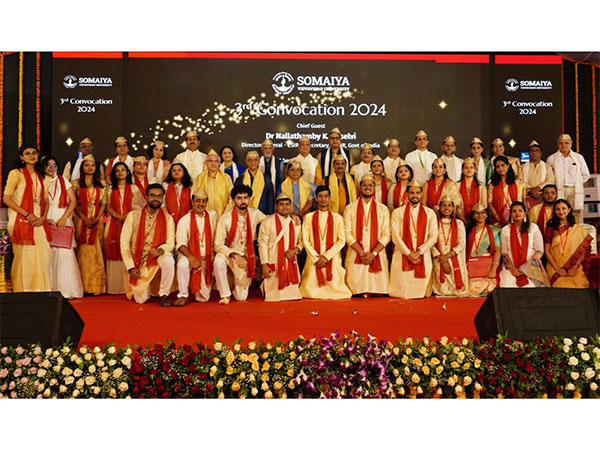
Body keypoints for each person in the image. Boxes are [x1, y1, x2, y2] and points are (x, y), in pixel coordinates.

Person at [3, 144, 51, 292]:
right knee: (25, 258)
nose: (32, 156)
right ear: (21, 157)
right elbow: (7, 199)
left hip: (38, 221)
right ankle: (24, 292)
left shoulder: (41, 176)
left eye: (34, 153)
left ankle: (40, 292)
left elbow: (45, 201)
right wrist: (27, 215)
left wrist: (43, 218)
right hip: (20, 219)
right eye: (27, 153)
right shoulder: (16, 174)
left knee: (43, 255)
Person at [120, 184, 175, 306]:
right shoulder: (133, 216)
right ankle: (147, 288)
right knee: (140, 300)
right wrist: (130, 267)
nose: (156, 199)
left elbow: (170, 242)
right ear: (146, 197)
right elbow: (124, 244)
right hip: (137, 262)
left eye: (159, 196)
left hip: (154, 259)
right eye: (152, 196)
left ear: (163, 198)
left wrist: (160, 250)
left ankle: (164, 294)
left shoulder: (167, 218)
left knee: (168, 259)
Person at [213, 185, 267, 304]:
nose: (243, 201)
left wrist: (291, 215)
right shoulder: (225, 218)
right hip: (230, 255)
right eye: (239, 198)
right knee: (218, 261)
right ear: (233, 200)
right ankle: (225, 294)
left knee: (241, 297)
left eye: (245, 198)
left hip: (247, 257)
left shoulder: (255, 213)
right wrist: (234, 255)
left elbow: (269, 221)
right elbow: (218, 245)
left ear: (249, 199)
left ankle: (233, 280)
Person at [42, 156, 83, 299]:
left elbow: (73, 201)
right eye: (48, 165)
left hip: (62, 219)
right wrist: (46, 219)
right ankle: (49, 289)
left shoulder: (63, 181)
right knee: (49, 253)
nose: (51, 168)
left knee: (65, 254)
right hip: (46, 219)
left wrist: (64, 217)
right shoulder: (40, 181)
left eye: (54, 165)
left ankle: (67, 290)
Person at [300, 185, 352, 299]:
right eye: (320, 196)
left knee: (339, 287)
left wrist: (326, 257)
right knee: (309, 288)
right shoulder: (308, 217)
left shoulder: (337, 218)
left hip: (332, 256)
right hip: (314, 256)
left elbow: (341, 240)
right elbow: (305, 240)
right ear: (316, 199)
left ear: (329, 198)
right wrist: (316, 258)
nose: (323, 199)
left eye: (326, 196)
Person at [388, 181, 438, 299]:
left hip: (422, 255)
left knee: (421, 291)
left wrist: (419, 252)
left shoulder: (429, 213)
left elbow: (433, 236)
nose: (414, 195)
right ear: (407, 194)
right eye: (411, 193)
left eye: (417, 193)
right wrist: (409, 253)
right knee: (402, 288)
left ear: (421, 194)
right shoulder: (397, 212)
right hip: (402, 254)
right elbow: (395, 236)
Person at [343, 174, 390, 296]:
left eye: (371, 185)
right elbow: (347, 233)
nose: (367, 187)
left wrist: (373, 254)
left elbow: (387, 234)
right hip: (356, 253)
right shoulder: (350, 208)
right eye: (364, 185)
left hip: (377, 253)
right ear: (360, 187)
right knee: (355, 291)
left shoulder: (383, 209)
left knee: (378, 292)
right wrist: (362, 253)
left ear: (374, 188)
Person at [104, 162, 144, 295]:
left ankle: (127, 286)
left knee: (128, 249)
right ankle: (114, 286)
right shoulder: (110, 189)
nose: (120, 172)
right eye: (117, 171)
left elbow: (138, 206)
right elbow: (107, 206)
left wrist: (126, 217)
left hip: (130, 222)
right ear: (114, 174)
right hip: (113, 223)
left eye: (123, 170)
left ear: (127, 173)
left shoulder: (134, 189)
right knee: (112, 249)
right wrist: (118, 216)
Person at [175, 187, 219, 305]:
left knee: (203, 298)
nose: (201, 204)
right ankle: (183, 295)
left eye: (204, 201)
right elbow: (181, 244)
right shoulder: (184, 220)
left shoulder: (213, 216)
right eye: (198, 201)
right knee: (182, 263)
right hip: (190, 256)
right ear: (192, 202)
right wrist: (191, 257)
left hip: (208, 258)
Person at [258, 193, 303, 302]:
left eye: (287, 204)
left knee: (293, 295)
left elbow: (301, 242)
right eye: (281, 204)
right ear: (276, 206)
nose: (284, 207)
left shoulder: (295, 222)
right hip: (273, 260)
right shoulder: (267, 222)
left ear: (290, 206)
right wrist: (264, 265)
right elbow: (262, 244)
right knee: (273, 294)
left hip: (290, 260)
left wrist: (295, 251)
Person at [72, 155, 107, 295]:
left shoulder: (102, 184)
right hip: (81, 220)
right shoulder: (75, 183)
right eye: (87, 165)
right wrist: (84, 218)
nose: (90, 167)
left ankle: (96, 287)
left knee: (96, 252)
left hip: (96, 221)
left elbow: (104, 203)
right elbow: (74, 204)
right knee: (82, 252)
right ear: (82, 167)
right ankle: (82, 286)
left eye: (92, 165)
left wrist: (98, 218)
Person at [544, 199, 592, 288]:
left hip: (574, 266)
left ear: (569, 210)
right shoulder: (550, 227)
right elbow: (547, 251)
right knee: (560, 286)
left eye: (564, 208)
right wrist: (557, 269)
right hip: (554, 265)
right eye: (557, 209)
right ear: (554, 211)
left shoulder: (576, 228)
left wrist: (575, 267)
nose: (561, 212)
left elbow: (582, 250)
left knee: (580, 285)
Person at [546, 134, 591, 223]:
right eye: (561, 143)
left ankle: (576, 234)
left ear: (571, 144)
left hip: (574, 189)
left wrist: (576, 182)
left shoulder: (578, 158)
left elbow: (586, 175)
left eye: (566, 143)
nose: (564, 145)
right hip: (559, 190)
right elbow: (549, 177)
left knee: (576, 214)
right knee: (559, 213)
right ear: (558, 144)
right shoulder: (551, 159)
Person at [499, 202, 544, 288]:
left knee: (531, 288)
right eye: (514, 211)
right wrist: (512, 269)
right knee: (509, 285)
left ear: (525, 213)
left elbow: (539, 251)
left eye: (520, 211)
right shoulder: (505, 230)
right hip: (511, 268)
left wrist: (525, 268)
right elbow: (504, 253)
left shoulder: (533, 228)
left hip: (532, 267)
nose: (517, 213)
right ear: (511, 214)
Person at [431, 197, 468, 297]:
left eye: (449, 205)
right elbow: (431, 242)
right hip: (439, 258)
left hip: (455, 257)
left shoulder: (459, 223)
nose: (446, 208)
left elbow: (462, 243)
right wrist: (441, 258)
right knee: (441, 290)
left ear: (453, 208)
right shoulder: (434, 223)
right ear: (439, 208)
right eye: (443, 205)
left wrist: (447, 257)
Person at [465, 204, 501, 297]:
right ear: (473, 215)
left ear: (487, 214)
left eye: (483, 212)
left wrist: (494, 269)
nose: (480, 215)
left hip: (487, 266)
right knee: (469, 289)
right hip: (470, 265)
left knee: (491, 287)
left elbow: (497, 250)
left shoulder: (493, 230)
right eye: (477, 213)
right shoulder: (467, 229)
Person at [488, 155, 526, 227]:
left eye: (503, 165)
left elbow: (523, 202)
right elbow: (490, 203)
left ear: (508, 166)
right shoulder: (493, 184)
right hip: (497, 221)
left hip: (516, 219)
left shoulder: (519, 183)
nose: (500, 168)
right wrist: (498, 218)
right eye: (497, 167)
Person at [192, 149, 233, 215]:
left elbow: (231, 198)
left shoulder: (226, 178)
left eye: (216, 161)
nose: (213, 163)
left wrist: (225, 215)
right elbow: (193, 197)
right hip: (203, 216)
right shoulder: (199, 178)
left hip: (222, 215)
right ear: (206, 163)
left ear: (219, 163)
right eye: (210, 161)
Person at [235, 150, 275, 215]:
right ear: (246, 162)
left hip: (262, 215)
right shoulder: (240, 180)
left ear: (259, 162)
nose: (253, 162)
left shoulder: (266, 179)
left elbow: (270, 200)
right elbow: (236, 200)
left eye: (255, 160)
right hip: (243, 215)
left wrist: (269, 216)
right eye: (250, 160)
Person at [521, 140, 555, 209]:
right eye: (532, 151)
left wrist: (538, 188)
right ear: (529, 153)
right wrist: (530, 191)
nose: (534, 153)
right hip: (526, 196)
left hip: (542, 196)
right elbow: (520, 181)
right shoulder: (522, 167)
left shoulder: (547, 166)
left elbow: (550, 180)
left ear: (540, 153)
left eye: (536, 151)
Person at [456, 157, 487, 222]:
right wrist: (464, 221)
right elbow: (455, 207)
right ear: (462, 170)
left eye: (471, 167)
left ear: (475, 170)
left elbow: (484, 206)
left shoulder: (481, 187)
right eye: (466, 168)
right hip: (460, 220)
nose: (469, 170)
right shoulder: (456, 185)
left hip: (478, 220)